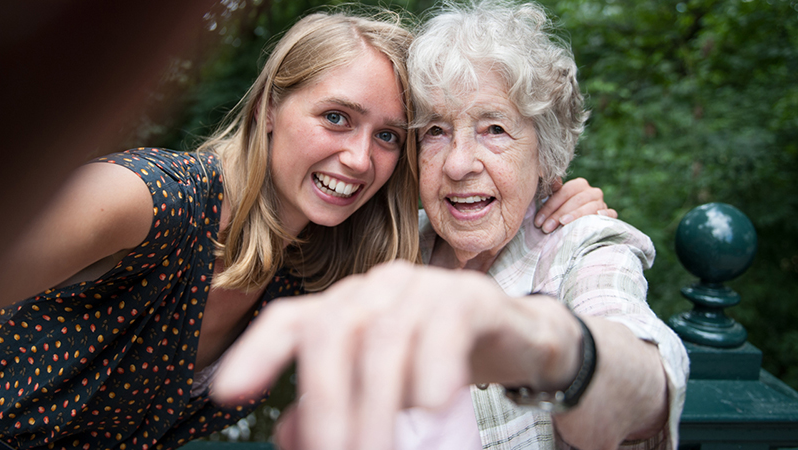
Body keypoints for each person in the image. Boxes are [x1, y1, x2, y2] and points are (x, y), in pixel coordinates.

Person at [0, 7, 610, 450]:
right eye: (337, 117)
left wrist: (550, 197)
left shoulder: (313, 265)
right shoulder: (153, 200)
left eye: (390, 136)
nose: (359, 159)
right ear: (269, 108)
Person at [212, 2, 689, 450]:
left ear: (547, 156)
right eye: (436, 130)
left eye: (494, 129)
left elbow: (648, 386)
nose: (459, 164)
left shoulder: (583, 248)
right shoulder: (387, 242)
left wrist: (545, 343)